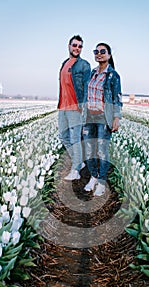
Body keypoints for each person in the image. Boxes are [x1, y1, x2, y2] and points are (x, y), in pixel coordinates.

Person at [82, 42, 122, 196]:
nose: (99, 54)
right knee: (89, 149)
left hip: (103, 117)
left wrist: (116, 118)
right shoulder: (92, 73)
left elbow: (117, 98)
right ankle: (93, 176)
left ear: (109, 55)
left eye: (102, 51)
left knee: (102, 150)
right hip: (89, 116)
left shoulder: (113, 75)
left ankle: (102, 181)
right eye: (96, 51)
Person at [58, 35, 91, 180]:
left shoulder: (84, 65)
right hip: (62, 107)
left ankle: (75, 170)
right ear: (69, 46)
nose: (77, 48)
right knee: (63, 137)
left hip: (75, 107)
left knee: (75, 139)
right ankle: (79, 162)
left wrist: (83, 108)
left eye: (80, 46)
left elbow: (87, 88)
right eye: (75, 45)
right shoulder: (65, 63)